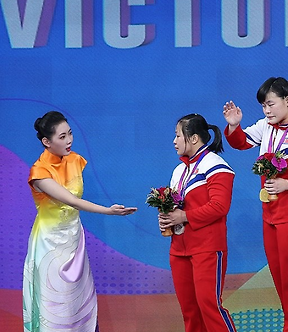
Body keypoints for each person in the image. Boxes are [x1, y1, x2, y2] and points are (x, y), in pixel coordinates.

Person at [222, 77, 288, 332]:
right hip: (271, 214)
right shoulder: (266, 126)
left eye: (270, 104)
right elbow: (242, 142)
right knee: (281, 278)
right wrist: (234, 126)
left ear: (287, 101)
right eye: (263, 106)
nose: (266, 111)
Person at [24, 111, 137, 332]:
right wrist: (108, 211)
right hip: (50, 247)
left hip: (74, 240)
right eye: (62, 137)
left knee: (79, 301)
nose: (69, 140)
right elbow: (71, 201)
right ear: (46, 142)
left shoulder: (75, 160)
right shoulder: (39, 172)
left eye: (70, 134)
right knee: (56, 305)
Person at [157, 113, 237, 332]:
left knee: (209, 307)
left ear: (193, 138)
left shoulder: (215, 165)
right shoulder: (179, 170)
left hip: (207, 248)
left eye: (177, 136)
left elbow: (220, 207)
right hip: (179, 250)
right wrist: (167, 219)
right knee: (190, 312)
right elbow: (175, 207)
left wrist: (184, 217)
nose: (174, 141)